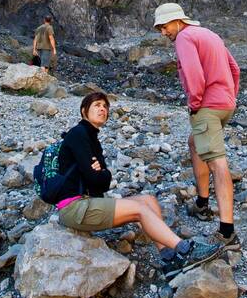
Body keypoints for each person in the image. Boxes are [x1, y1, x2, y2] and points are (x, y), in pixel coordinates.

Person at [49, 92, 222, 280]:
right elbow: (95, 178)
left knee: (148, 200)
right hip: (75, 208)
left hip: (87, 203)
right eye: (97, 105)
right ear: (84, 111)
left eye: (105, 107)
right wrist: (100, 173)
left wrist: (101, 173)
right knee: (139, 209)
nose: (102, 109)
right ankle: (185, 249)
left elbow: (104, 182)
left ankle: (169, 259)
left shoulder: (91, 138)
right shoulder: (79, 134)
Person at [153, 2, 241, 252]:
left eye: (165, 26)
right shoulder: (209, 34)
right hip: (225, 105)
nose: (163, 32)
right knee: (195, 144)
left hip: (207, 107)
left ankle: (227, 232)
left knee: (217, 162)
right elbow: (235, 68)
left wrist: (195, 104)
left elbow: (194, 76)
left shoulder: (184, 38)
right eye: (160, 28)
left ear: (178, 21)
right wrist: (230, 97)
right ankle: (203, 203)